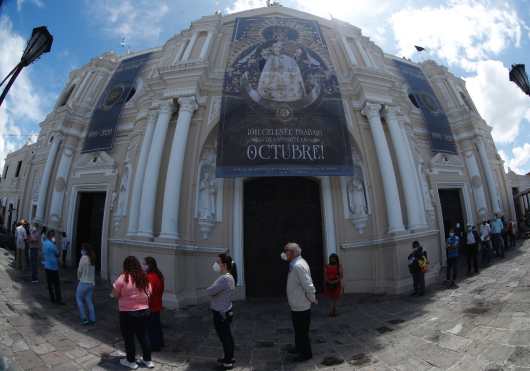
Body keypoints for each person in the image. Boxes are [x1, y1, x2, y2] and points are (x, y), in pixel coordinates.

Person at [112, 256, 154, 370]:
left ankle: (130, 361)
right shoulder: (144, 277)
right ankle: (148, 360)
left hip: (127, 313)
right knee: (144, 336)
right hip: (144, 311)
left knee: (129, 337)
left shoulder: (123, 278)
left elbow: (115, 294)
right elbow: (150, 292)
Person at [282, 242, 316, 362]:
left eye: (286, 251)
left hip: (301, 304)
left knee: (302, 331)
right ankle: (298, 348)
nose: (284, 253)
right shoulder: (295, 263)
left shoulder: (298, 266)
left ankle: (306, 354)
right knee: (298, 329)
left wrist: (312, 298)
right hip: (296, 304)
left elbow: (308, 284)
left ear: (292, 253)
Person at [207, 253, 237, 370]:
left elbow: (210, 291)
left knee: (225, 337)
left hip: (221, 313)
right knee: (226, 336)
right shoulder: (228, 277)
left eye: (218, 262)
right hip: (225, 311)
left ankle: (228, 361)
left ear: (224, 264)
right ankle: (228, 357)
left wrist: (210, 288)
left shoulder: (224, 278)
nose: (216, 264)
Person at [144, 257, 165, 352]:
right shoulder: (159, 275)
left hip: (151, 306)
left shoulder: (150, 277)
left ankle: (154, 346)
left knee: (151, 327)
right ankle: (160, 342)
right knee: (157, 325)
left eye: (144, 264)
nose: (143, 266)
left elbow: (148, 293)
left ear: (149, 265)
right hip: (157, 303)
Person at [76, 243, 96, 325]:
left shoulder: (83, 258)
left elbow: (79, 270)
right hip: (91, 283)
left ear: (84, 250)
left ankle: (84, 318)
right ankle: (93, 318)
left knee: (79, 299)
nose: (81, 251)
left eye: (82, 249)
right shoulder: (92, 258)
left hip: (83, 282)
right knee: (89, 301)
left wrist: (78, 278)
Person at [42, 230, 64, 304]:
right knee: (56, 284)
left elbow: (43, 252)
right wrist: (56, 245)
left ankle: (52, 298)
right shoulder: (52, 245)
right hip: (53, 267)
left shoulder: (44, 243)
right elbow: (57, 254)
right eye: (53, 235)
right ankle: (58, 299)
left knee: (49, 283)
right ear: (52, 236)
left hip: (47, 265)